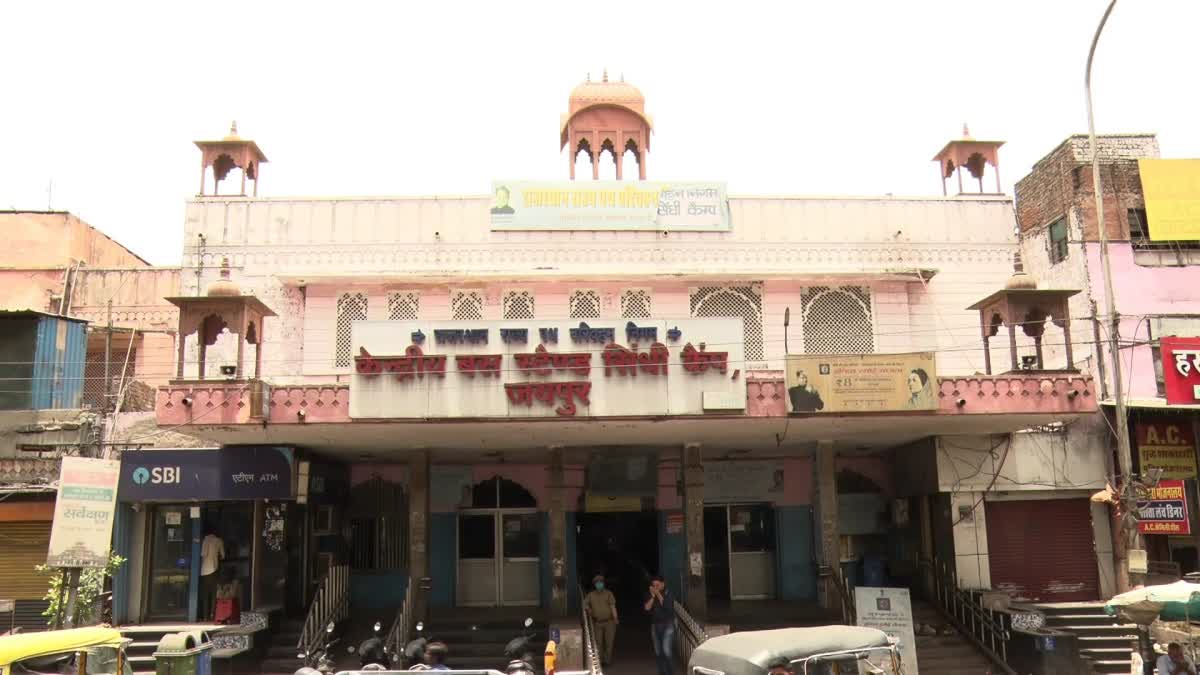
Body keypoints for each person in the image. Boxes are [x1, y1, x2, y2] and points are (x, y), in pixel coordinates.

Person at [643, 575, 675, 675]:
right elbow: (647, 608)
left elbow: (667, 608)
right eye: (653, 585)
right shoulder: (650, 594)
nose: (655, 587)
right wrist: (653, 596)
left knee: (666, 651)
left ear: (662, 584)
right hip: (655, 625)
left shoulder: (668, 593)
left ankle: (670, 672)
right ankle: (661, 672)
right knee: (658, 651)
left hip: (667, 625)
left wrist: (658, 595)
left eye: (657, 585)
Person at [585, 574, 618, 665]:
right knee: (598, 643)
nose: (599, 584)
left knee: (609, 643)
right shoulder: (591, 595)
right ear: (594, 584)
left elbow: (612, 606)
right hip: (597, 622)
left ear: (603, 583)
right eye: (597, 583)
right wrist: (589, 610)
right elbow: (585, 604)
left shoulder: (609, 593)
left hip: (609, 621)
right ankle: (600, 661)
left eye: (601, 582)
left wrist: (615, 618)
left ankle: (607, 661)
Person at [199, 527, 225, 620]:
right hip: (214, 569)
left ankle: (205, 616)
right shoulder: (219, 540)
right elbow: (223, 555)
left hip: (205, 570)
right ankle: (212, 614)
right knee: (214, 593)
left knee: (205, 594)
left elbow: (203, 554)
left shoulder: (206, 540)